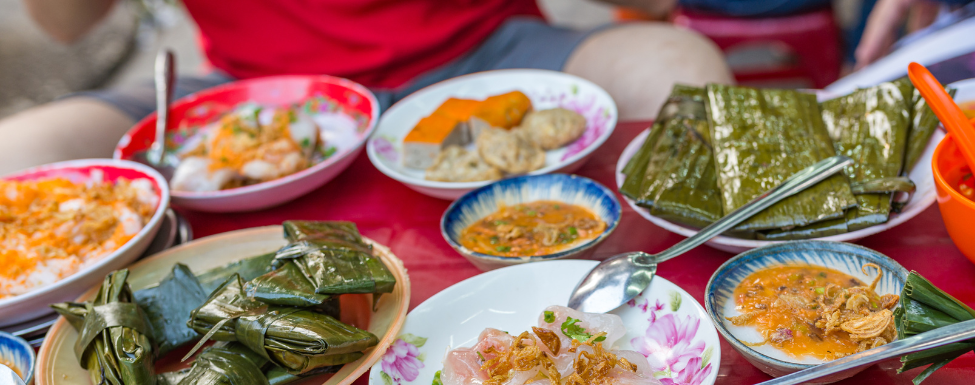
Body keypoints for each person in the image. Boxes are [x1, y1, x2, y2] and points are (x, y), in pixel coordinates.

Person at [0, 0, 732, 176]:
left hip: (484, 50)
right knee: (19, 151)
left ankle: (655, 296)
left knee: (676, 64)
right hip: (261, 94)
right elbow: (62, 24)